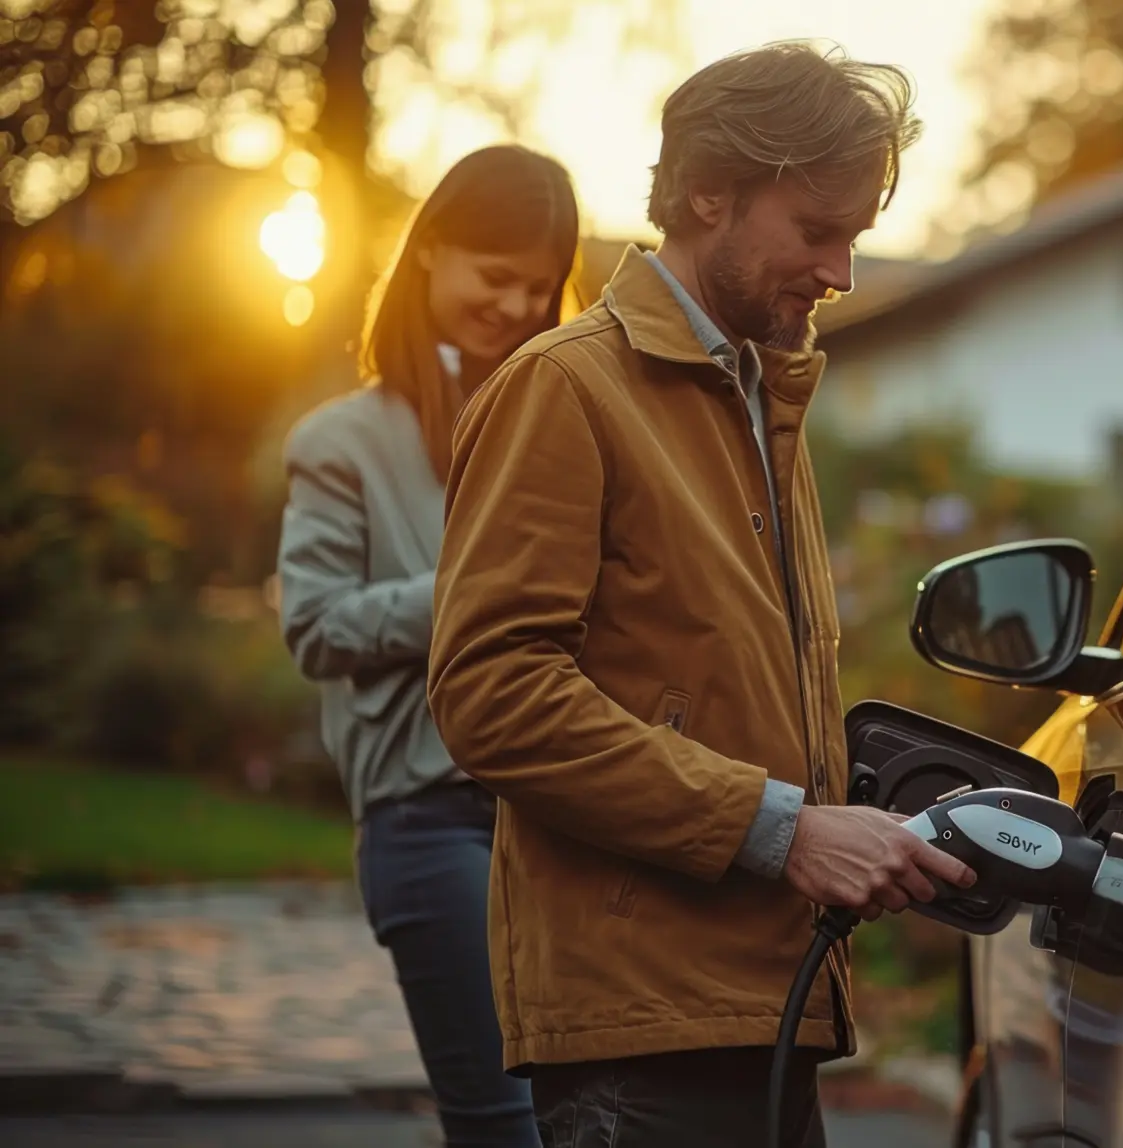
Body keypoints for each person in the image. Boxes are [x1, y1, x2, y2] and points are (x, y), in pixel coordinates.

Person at [424, 42, 976, 1148]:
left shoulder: (758, 396)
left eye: (854, 236)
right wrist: (781, 831)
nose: (842, 273)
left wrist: (859, 820)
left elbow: (706, 682)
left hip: (759, 1008)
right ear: (707, 193)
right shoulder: (562, 388)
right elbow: (490, 691)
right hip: (642, 1036)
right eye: (817, 230)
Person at [276, 144, 580, 1148]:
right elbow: (316, 625)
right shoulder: (341, 441)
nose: (515, 306)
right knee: (502, 1127)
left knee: (581, 1117)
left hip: (563, 812)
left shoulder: (561, 419)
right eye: (495, 277)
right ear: (429, 252)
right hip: (426, 814)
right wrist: (471, 590)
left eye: (538, 288)